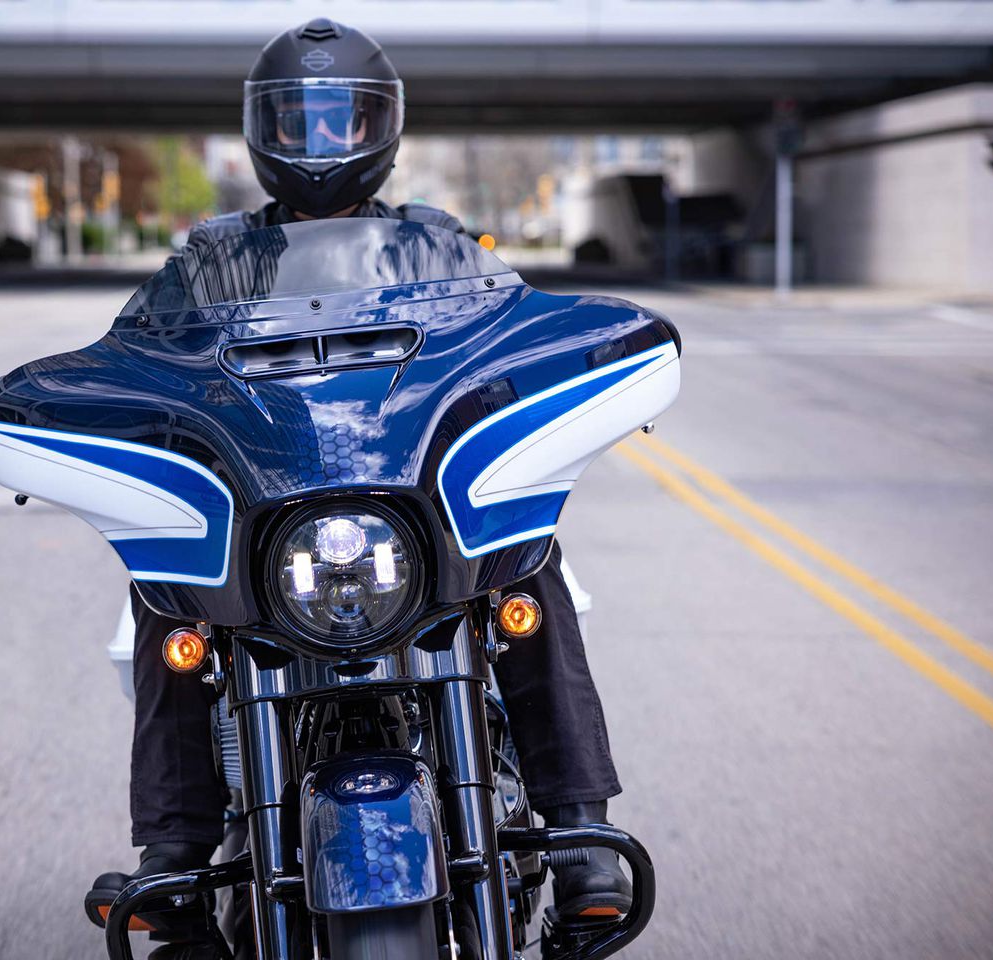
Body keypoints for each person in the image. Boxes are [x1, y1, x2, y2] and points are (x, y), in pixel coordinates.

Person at [86, 18, 631, 955]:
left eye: (342, 121)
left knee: (530, 567)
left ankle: (579, 834)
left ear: (381, 128)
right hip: (273, 511)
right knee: (162, 597)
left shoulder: (439, 248)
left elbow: (514, 347)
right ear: (264, 131)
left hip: (410, 502)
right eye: (300, 122)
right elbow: (134, 365)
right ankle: (172, 856)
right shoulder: (211, 259)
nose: (320, 144)